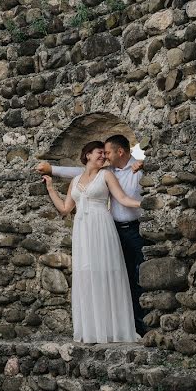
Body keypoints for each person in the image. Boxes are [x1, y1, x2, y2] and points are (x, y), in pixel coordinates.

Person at [37, 134, 147, 337]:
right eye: (100, 153)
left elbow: (122, 198)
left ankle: (120, 327)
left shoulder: (107, 175)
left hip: (103, 227)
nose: (104, 157)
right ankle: (94, 329)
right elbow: (65, 208)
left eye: (106, 154)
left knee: (109, 273)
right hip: (83, 231)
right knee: (87, 274)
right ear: (88, 154)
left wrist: (144, 204)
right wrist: (51, 186)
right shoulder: (76, 180)